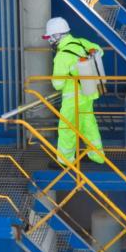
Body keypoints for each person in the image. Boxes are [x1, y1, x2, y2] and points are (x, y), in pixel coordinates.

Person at [43, 16, 107, 165]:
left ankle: (65, 161)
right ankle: (97, 156)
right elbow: (99, 51)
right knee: (88, 125)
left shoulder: (62, 56)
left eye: (50, 37)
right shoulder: (82, 42)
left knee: (67, 128)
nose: (49, 41)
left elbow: (57, 84)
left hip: (72, 99)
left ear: (56, 36)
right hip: (88, 93)